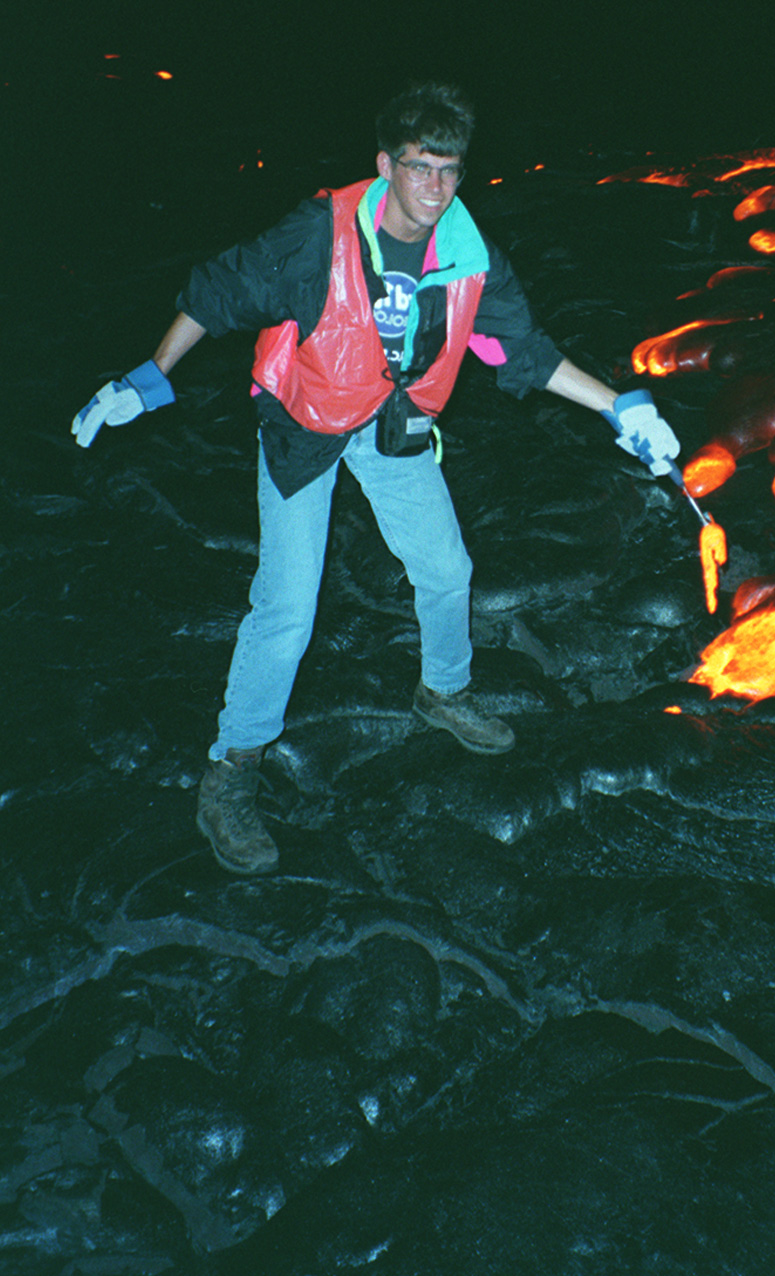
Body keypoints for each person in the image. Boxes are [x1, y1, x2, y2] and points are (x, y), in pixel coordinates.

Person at [72, 83, 679, 875]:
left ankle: (442, 692)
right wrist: (145, 378)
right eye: (420, 168)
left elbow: (522, 351)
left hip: (394, 426)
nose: (434, 188)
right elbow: (217, 291)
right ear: (386, 165)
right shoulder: (316, 236)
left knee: (447, 569)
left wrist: (621, 411)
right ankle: (232, 767)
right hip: (306, 428)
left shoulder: (468, 254)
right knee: (286, 611)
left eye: (449, 171)